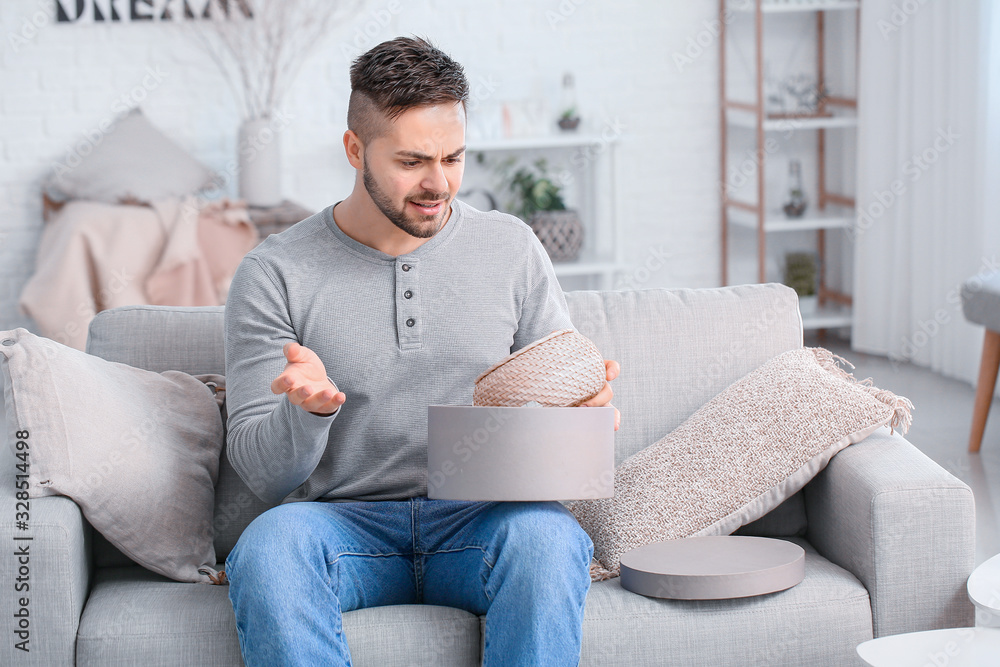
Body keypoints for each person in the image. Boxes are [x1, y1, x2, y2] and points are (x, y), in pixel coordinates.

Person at [222, 35, 621, 667]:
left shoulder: (511, 247)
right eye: (412, 161)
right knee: (269, 546)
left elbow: (556, 430)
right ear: (355, 149)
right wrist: (307, 412)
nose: (439, 184)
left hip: (481, 523)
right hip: (341, 526)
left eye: (454, 157)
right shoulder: (274, 271)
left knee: (549, 540)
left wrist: (578, 422)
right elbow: (261, 473)